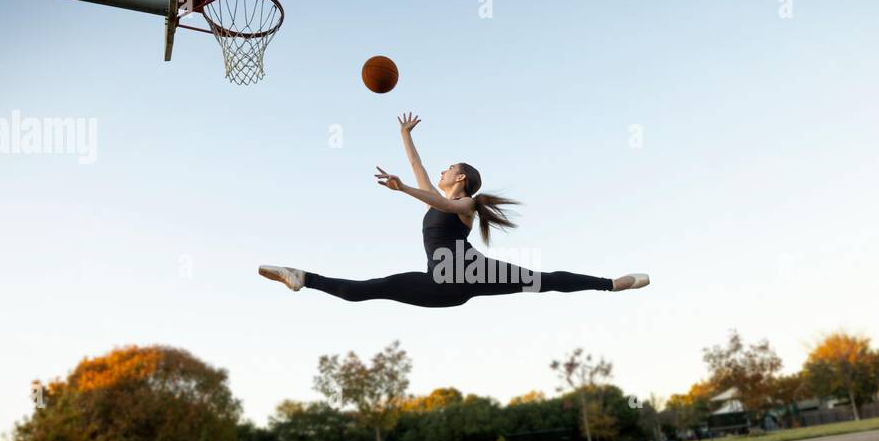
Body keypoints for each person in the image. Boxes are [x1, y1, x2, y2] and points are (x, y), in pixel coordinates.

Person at [259, 113, 650, 307]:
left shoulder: (465, 204)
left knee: (542, 280)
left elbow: (440, 202)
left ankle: (610, 284)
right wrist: (404, 136)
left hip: (470, 272)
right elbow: (420, 171)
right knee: (367, 290)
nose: (443, 170)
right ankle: (302, 277)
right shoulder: (440, 193)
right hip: (441, 285)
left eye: (450, 168)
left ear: (461, 178)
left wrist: (404, 189)